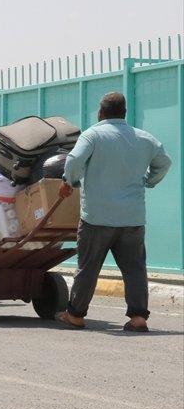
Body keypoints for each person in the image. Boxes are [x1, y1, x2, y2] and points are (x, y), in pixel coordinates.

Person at [56, 92, 171, 331]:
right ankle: (139, 317)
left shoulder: (93, 135)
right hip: (132, 217)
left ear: (101, 113)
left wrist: (70, 181)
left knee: (88, 266)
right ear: (124, 113)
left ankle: (76, 314)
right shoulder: (144, 138)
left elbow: (74, 160)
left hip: (97, 217)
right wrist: (149, 181)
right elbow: (164, 162)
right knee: (135, 268)